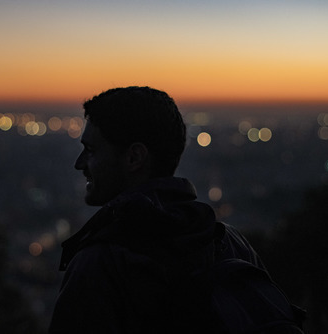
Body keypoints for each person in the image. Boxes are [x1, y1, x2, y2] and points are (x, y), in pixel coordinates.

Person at [49, 86, 270, 333]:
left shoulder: (101, 264)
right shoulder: (229, 243)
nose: (79, 163)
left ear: (134, 158)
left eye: (90, 150)